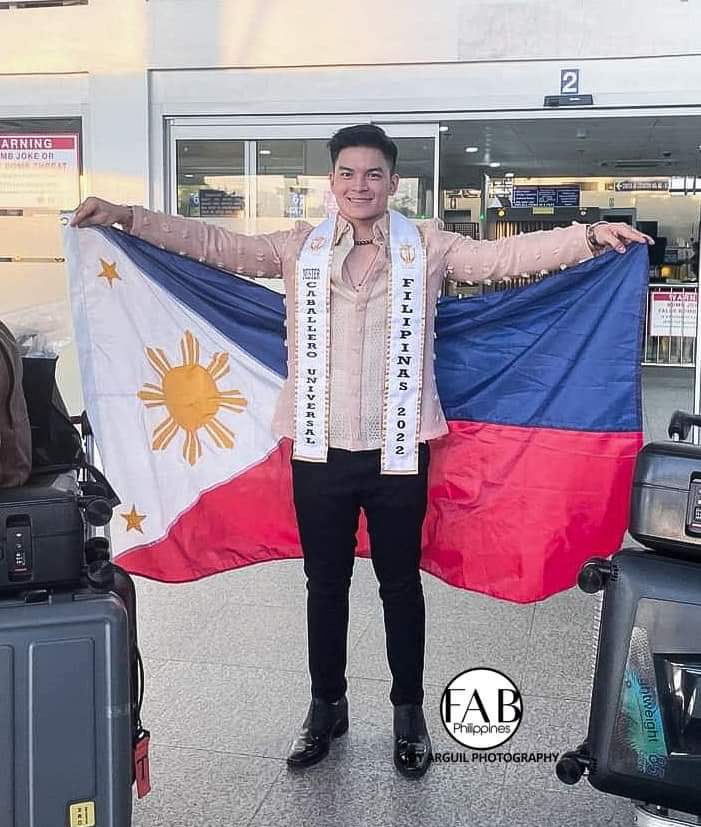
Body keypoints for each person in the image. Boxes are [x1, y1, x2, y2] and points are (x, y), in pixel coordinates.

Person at [71, 124, 651, 779]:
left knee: (399, 585)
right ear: (332, 181)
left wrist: (588, 237)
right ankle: (327, 706)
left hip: (398, 452)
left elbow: (504, 258)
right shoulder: (298, 248)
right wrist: (127, 217)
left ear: (393, 182)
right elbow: (214, 245)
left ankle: (408, 712)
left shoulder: (426, 246)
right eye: (347, 173)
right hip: (318, 452)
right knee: (325, 585)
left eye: (373, 174)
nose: (359, 185)